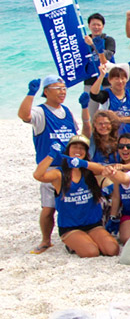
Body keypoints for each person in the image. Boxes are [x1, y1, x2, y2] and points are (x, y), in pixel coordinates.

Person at [18, 75, 78, 254]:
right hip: (50, 168)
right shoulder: (40, 112)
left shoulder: (67, 111)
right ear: (46, 92)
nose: (62, 92)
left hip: (69, 167)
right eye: (58, 88)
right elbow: (24, 115)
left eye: (64, 89)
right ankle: (45, 240)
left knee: (72, 203)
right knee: (48, 207)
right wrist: (30, 93)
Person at [32, 136, 119, 258]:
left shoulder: (89, 170)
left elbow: (104, 170)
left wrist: (83, 163)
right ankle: (72, 244)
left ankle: (86, 239)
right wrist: (51, 155)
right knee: (91, 252)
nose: (78, 150)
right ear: (68, 150)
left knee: (112, 249)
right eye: (75, 147)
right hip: (70, 227)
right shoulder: (59, 173)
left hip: (93, 224)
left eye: (82, 148)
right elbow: (38, 175)